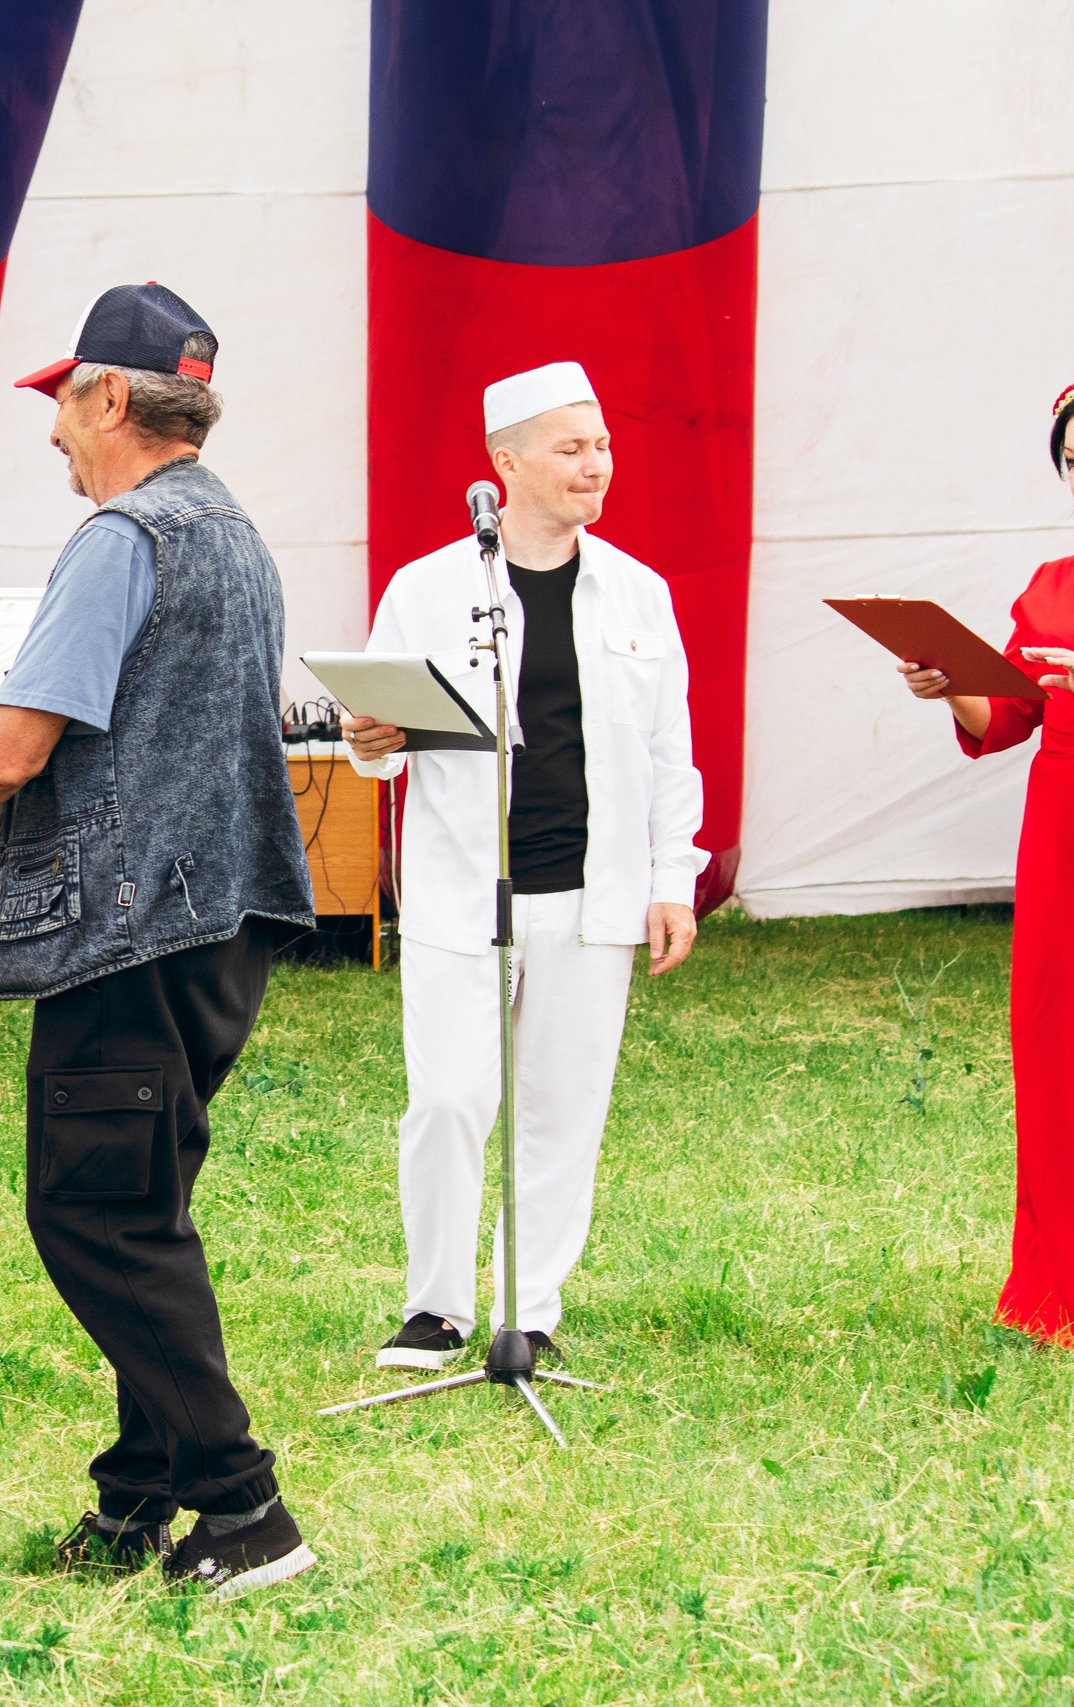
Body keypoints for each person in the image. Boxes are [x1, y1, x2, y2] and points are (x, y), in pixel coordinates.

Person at [0, 284, 320, 1600]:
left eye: (61, 399)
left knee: (96, 1215)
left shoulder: (120, 540)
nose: (52, 428)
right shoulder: (239, 536)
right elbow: (148, 760)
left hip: (125, 939)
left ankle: (246, 1509)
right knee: (144, 1210)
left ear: (113, 397)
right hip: (218, 930)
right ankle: (134, 1506)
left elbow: (13, 741)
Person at [341, 361, 703, 1375]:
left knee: (562, 1108)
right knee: (450, 1098)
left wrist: (671, 878)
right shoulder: (427, 588)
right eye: (571, 448)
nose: (597, 465)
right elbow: (380, 742)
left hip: (593, 898)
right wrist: (371, 736)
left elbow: (671, 750)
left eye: (602, 446)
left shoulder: (638, 591)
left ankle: (525, 1309)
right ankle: (436, 1307)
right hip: (464, 893)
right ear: (504, 466)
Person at [898, 369, 1074, 1347]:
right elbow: (1003, 718)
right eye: (1068, 464)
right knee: (1069, 1047)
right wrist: (948, 685)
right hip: (1070, 836)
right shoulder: (1050, 587)